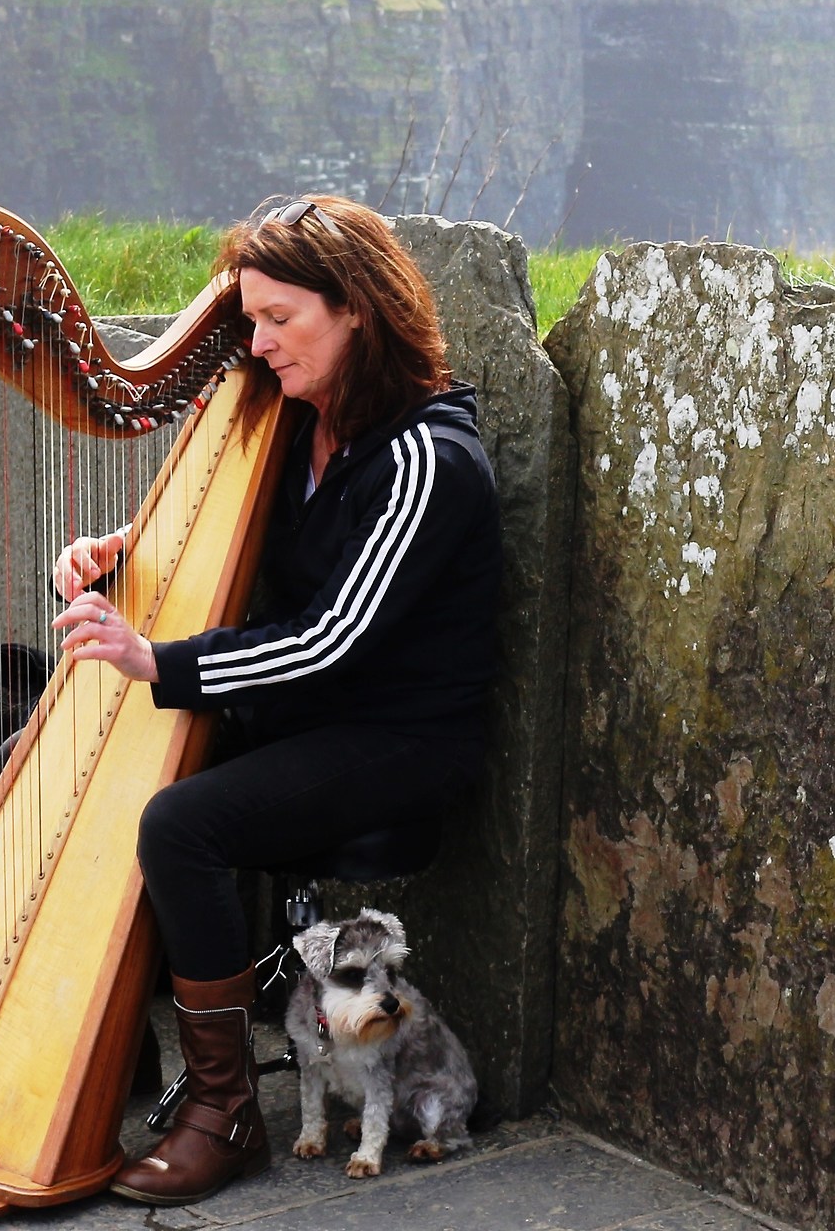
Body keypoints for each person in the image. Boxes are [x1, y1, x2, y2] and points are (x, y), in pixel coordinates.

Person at [49, 195, 499, 1205]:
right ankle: (98, 1052)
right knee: (59, 765)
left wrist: (159, 662)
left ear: (358, 313)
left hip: (397, 740)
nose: (255, 343)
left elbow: (334, 641)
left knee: (181, 821)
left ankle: (227, 1110)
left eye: (278, 319)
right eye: (247, 320)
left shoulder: (429, 460)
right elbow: (251, 571)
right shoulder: (292, 423)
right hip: (305, 714)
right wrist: (118, 561)